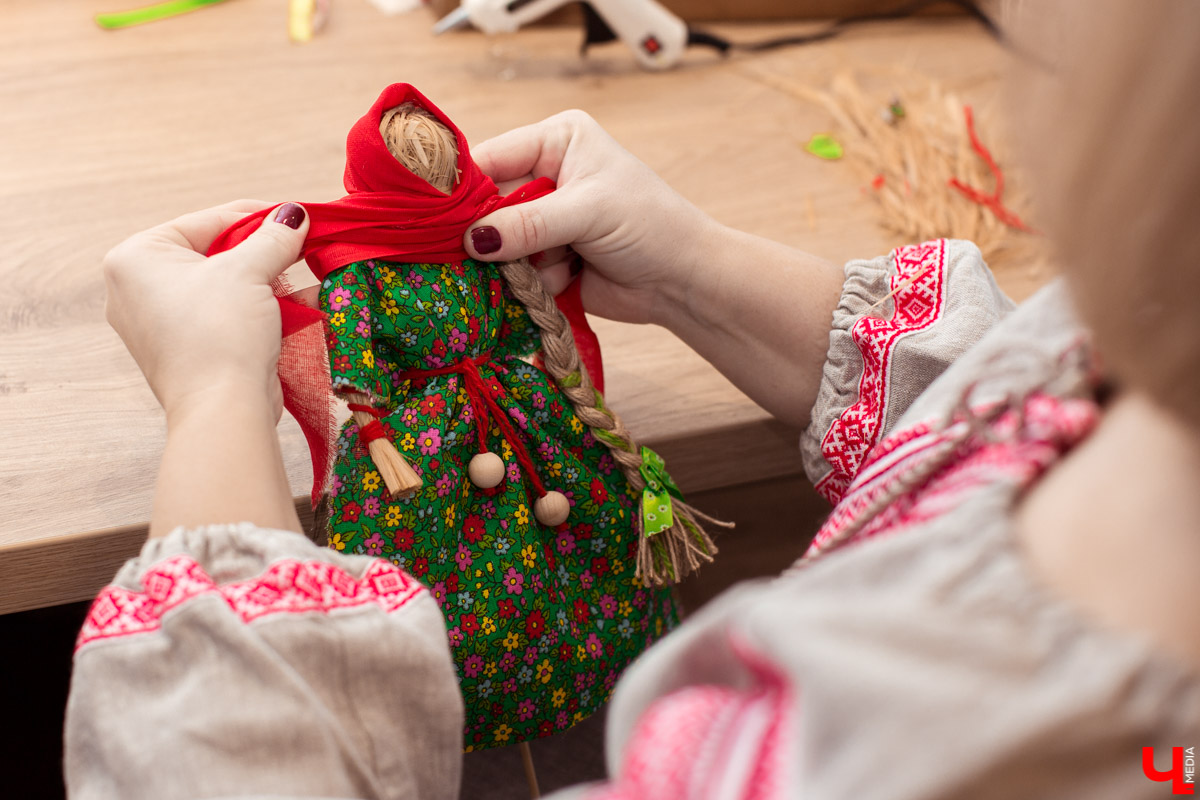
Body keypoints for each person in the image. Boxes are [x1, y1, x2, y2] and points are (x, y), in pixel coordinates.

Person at [68, 2, 1199, 798]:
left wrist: (215, 394)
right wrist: (695, 266)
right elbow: (1003, 397)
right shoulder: (1133, 376)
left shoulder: (971, 749)